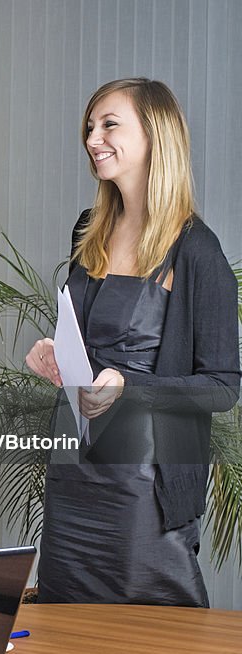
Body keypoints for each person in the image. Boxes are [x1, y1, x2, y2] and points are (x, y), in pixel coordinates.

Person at [26, 78, 240, 607]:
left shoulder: (197, 251)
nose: (93, 138)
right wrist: (52, 351)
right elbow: (85, 338)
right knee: (66, 629)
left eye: (109, 125)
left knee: (154, 634)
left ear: (155, 135)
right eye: (90, 127)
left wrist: (130, 386)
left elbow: (221, 387)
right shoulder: (88, 230)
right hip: (73, 472)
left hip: (143, 487)